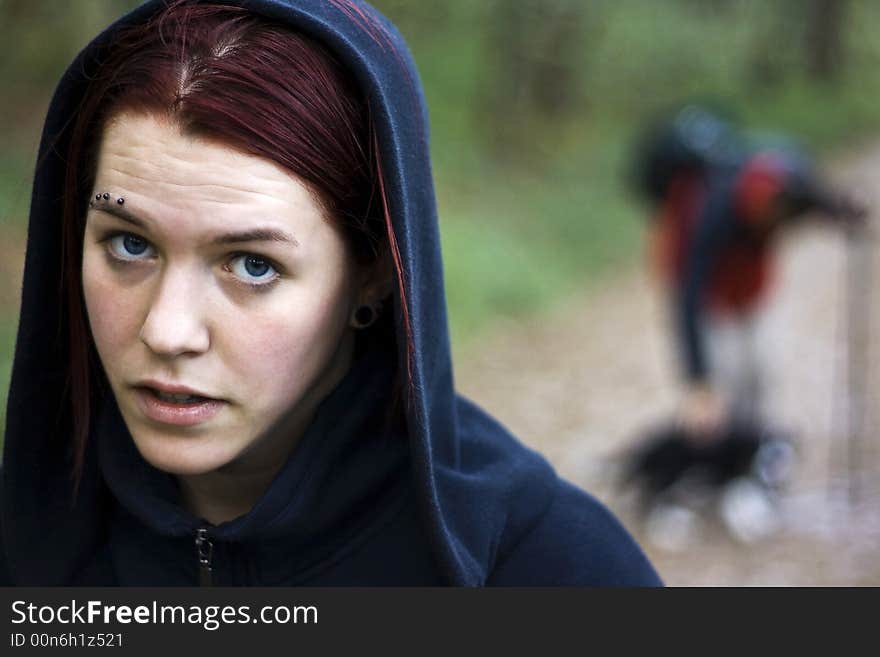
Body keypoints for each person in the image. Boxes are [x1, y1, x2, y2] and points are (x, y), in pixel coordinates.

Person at [0, 0, 661, 586]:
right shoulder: (25, 550)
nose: (167, 331)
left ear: (371, 270)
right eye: (130, 245)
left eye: (251, 264)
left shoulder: (547, 571)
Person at [623, 104, 864, 543]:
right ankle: (714, 467)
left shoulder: (795, 186)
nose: (771, 220)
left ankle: (750, 471)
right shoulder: (714, 210)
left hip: (753, 290)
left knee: (763, 371)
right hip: (713, 293)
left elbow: (824, 204)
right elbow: (688, 294)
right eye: (763, 212)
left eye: (779, 212)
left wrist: (846, 214)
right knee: (724, 382)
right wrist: (698, 380)